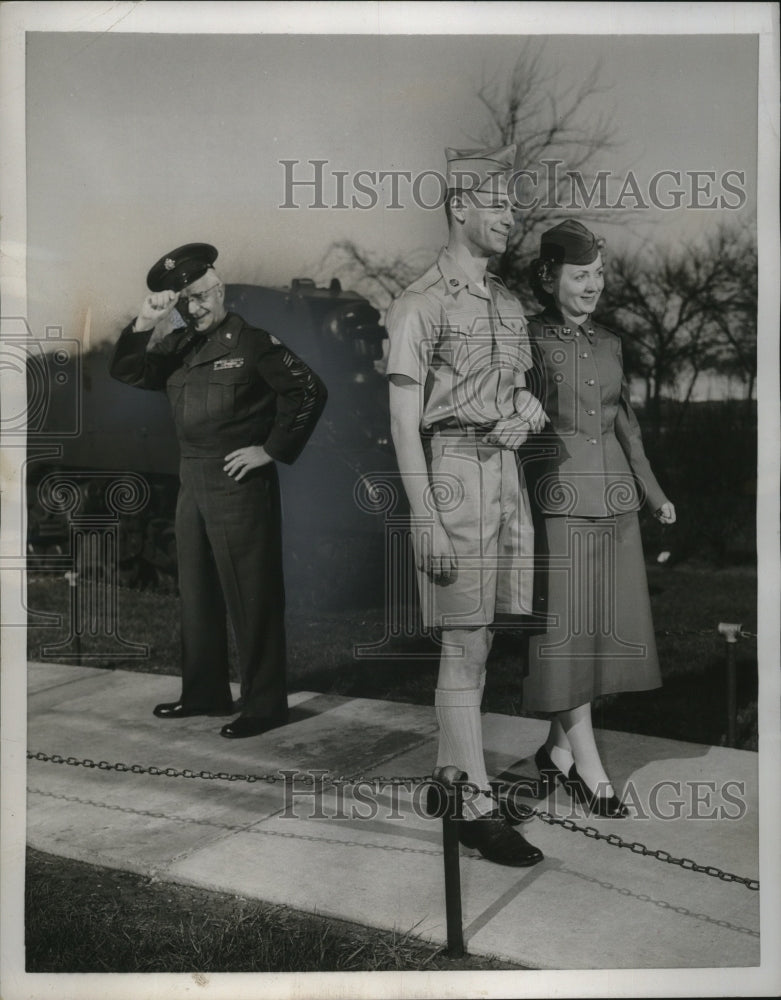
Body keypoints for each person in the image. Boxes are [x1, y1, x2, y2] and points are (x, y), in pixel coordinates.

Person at [385, 146, 547, 866]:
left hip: (505, 475)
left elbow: (516, 393)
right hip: (451, 472)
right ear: (458, 206)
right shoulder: (419, 302)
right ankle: (474, 808)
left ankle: (450, 775)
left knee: (480, 640)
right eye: (498, 205)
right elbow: (400, 420)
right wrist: (423, 514)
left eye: (513, 207)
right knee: (462, 641)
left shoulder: (509, 304)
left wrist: (530, 413)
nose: (510, 219)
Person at [110, 243, 327, 738]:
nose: (195, 308)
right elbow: (125, 370)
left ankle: (266, 705)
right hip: (193, 480)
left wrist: (270, 450)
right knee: (198, 594)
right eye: (184, 301)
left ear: (219, 289)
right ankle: (204, 694)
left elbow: (309, 390)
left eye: (201, 297)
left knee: (252, 596)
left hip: (238, 484)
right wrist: (144, 322)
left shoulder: (252, 343)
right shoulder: (178, 347)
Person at [521, 220, 676, 815]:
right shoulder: (526, 338)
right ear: (550, 276)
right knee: (566, 636)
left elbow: (625, 427)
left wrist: (654, 492)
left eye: (599, 274)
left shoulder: (611, 342)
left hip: (615, 504)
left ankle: (556, 753)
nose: (594, 285)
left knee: (598, 635)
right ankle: (588, 767)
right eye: (581, 274)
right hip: (557, 501)